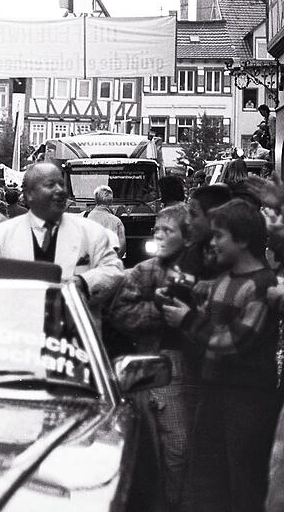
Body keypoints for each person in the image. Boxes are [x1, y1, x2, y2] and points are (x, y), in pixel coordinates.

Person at [162, 199, 279, 512]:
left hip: (248, 397)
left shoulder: (261, 286)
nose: (211, 243)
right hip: (214, 389)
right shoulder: (223, 281)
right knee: (210, 475)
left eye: (219, 237)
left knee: (244, 476)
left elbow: (233, 341)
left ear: (241, 240)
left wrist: (187, 319)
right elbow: (209, 331)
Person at [109, 204, 195, 509]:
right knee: (174, 449)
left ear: (187, 237)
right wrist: (160, 312)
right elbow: (121, 314)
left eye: (167, 230)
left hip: (201, 370)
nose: (158, 235)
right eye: (156, 229)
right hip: (162, 369)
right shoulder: (145, 271)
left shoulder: (203, 267)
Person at [0, 163, 123, 308]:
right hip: (21, 323)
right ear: (29, 194)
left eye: (61, 184)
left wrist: (83, 281)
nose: (59, 191)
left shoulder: (91, 231)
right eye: (50, 185)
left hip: (75, 325)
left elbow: (114, 270)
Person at [180, 184, 232, 280]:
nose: (187, 221)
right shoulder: (192, 253)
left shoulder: (236, 257)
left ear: (214, 216)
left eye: (193, 215)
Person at [84, 185, 126, 258]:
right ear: (111, 202)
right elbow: (121, 248)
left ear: (95, 200)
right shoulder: (117, 222)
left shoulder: (86, 220)